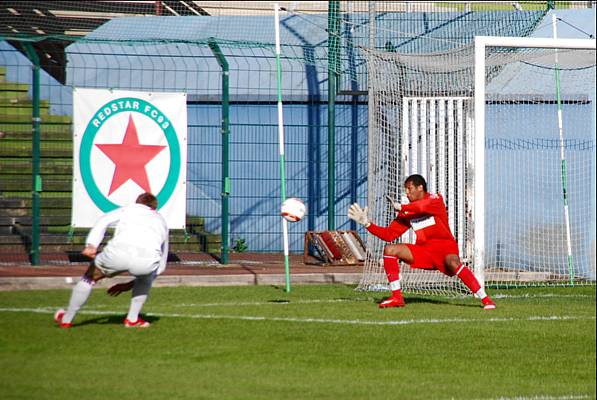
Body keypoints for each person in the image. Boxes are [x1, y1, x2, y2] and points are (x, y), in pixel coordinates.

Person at [348, 174, 496, 310]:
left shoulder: (435, 199)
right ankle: (397, 297)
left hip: (445, 249)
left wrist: (402, 207)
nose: (407, 193)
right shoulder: (408, 212)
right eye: (405, 189)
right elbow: (389, 234)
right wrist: (367, 223)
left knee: (453, 262)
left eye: (409, 188)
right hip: (424, 251)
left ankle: (485, 299)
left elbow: (422, 206)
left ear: (420, 188)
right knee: (390, 249)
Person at [54, 192, 169, 328]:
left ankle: (67, 319)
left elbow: (104, 220)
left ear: (137, 202)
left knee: (89, 278)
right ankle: (132, 320)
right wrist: (130, 285)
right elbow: (161, 266)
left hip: (119, 252)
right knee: (146, 277)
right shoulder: (162, 221)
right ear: (154, 208)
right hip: (146, 260)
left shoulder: (129, 209)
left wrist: (91, 245)